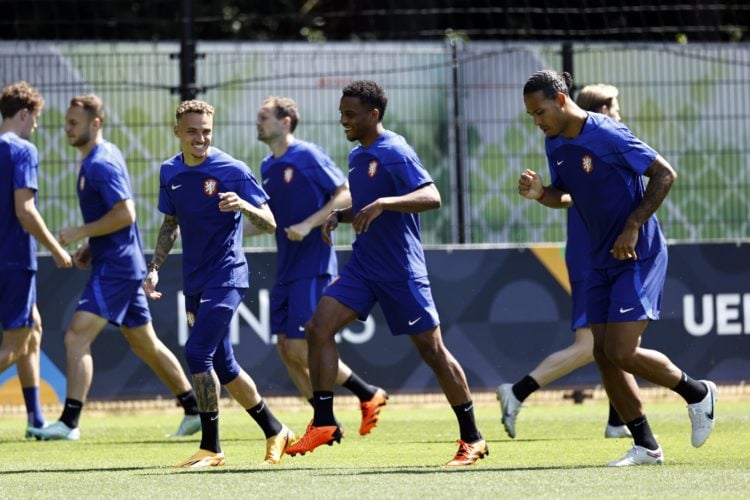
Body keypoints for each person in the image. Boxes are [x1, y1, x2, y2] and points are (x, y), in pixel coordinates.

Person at [517, 70, 717, 466]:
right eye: (531, 116)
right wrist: (542, 194)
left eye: (540, 111)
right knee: (603, 354)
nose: (537, 121)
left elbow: (664, 174)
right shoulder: (554, 142)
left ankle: (698, 394)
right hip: (599, 257)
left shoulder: (608, 133)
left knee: (622, 350)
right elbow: (566, 196)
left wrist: (632, 225)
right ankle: (646, 445)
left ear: (560, 100)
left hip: (636, 252)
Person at [284, 80, 487, 467]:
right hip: (364, 266)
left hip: (399, 269)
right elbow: (366, 205)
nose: (342, 119)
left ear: (373, 115)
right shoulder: (360, 156)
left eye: (350, 114)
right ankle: (324, 422)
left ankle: (473, 438)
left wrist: (384, 202)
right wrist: (340, 215)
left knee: (433, 351)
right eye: (342, 112)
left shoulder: (394, 149)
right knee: (317, 328)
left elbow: (432, 196)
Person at [29, 94, 201, 441]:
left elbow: (126, 213)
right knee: (145, 344)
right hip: (117, 261)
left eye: (74, 123)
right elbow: (116, 218)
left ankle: (69, 422)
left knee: (76, 334)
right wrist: (91, 245)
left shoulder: (100, 163)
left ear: (96, 123)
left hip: (119, 268)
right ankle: (194, 410)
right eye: (66, 122)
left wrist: (81, 231)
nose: (67, 128)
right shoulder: (95, 159)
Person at [144, 99, 296, 468]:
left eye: (207, 132)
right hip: (194, 280)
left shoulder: (232, 169)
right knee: (224, 366)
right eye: (193, 131)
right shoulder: (170, 172)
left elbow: (270, 223)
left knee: (198, 354)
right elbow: (170, 224)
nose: (200, 138)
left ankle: (211, 447)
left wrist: (242, 204)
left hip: (228, 276)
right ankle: (276, 430)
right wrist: (155, 267)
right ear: (177, 132)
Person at [497, 83, 629, 441]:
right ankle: (518, 391)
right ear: (601, 111)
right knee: (594, 345)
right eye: (613, 107)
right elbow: (566, 195)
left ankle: (621, 421)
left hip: (605, 254)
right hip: (591, 257)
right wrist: (542, 193)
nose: (618, 113)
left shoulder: (602, 144)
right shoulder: (575, 143)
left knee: (617, 343)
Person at [255, 95, 387, 436]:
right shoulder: (267, 167)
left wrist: (309, 224)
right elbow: (267, 221)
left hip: (313, 264)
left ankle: (367, 393)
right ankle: (325, 424)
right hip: (285, 266)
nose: (258, 123)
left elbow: (346, 194)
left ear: (285, 122)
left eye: (264, 117)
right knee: (286, 350)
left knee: (300, 346)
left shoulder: (307, 155)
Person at [0, 81, 73, 438]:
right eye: (36, 119)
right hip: (13, 260)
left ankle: (35, 420)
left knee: (34, 328)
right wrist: (57, 250)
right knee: (15, 344)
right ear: (25, 114)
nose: (37, 127)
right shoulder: (22, 149)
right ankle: (36, 420)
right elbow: (25, 211)